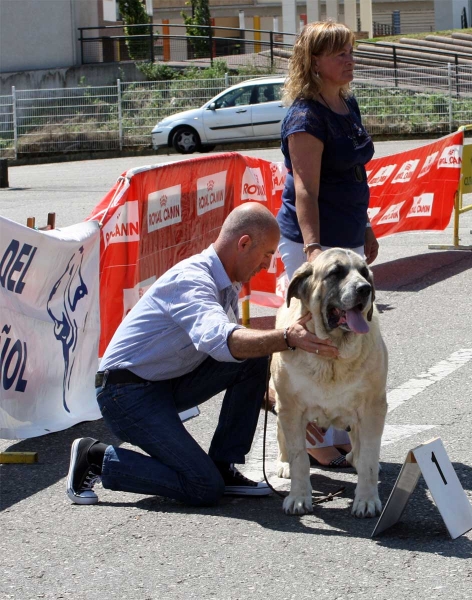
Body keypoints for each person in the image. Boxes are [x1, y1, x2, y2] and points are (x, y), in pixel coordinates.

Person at [66, 202, 338, 507]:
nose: (267, 265)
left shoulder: (226, 284)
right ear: (244, 243)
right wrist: (288, 337)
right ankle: (96, 457)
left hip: (162, 384)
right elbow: (225, 341)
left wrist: (290, 409)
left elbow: (240, 353)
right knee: (202, 487)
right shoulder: (192, 281)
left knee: (256, 354)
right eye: (266, 255)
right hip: (124, 394)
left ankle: (224, 466)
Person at [276, 21, 379, 469]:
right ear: (314, 62)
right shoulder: (305, 116)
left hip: (348, 238)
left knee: (349, 335)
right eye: (340, 54)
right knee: (311, 341)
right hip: (313, 244)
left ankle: (337, 431)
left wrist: (367, 225)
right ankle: (311, 437)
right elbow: (305, 189)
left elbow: (356, 173)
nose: (349, 60)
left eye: (351, 51)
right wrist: (313, 250)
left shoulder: (345, 102)